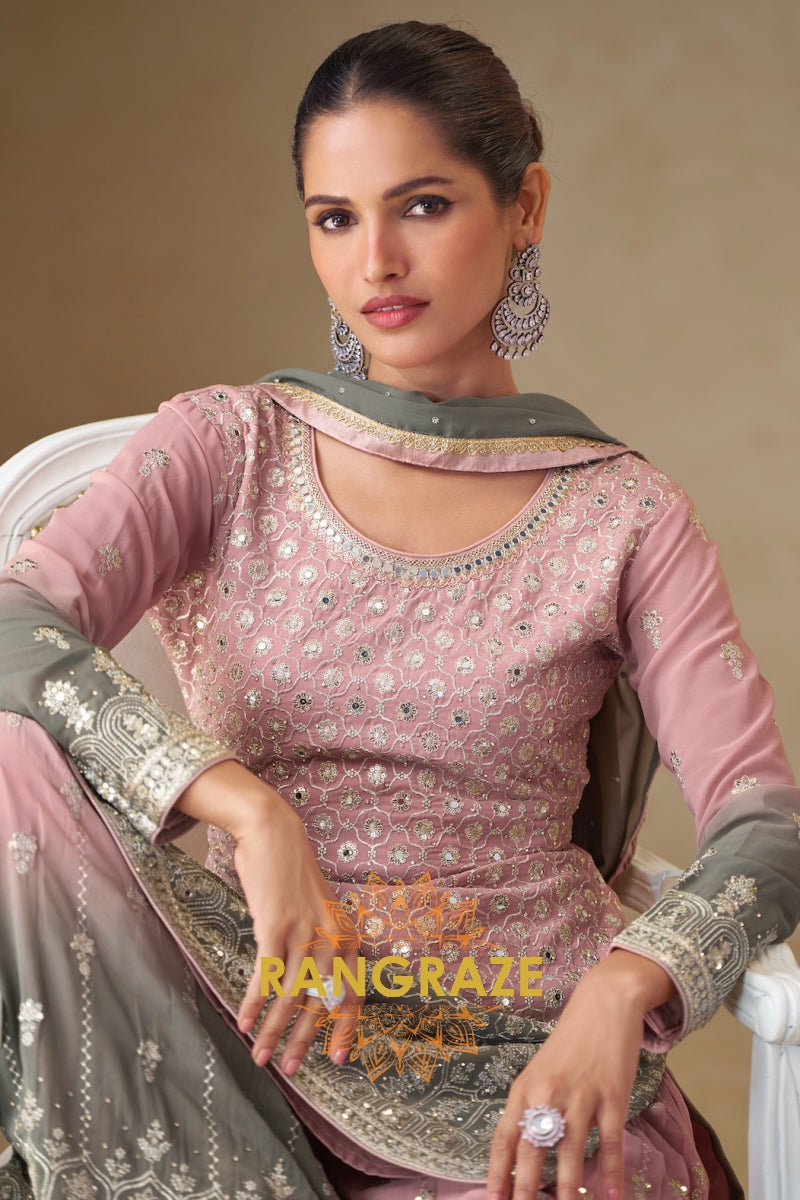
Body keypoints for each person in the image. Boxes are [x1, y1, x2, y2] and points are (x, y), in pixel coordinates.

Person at [0, 19, 798, 1200]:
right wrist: (247, 810)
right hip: (237, 1035)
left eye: (421, 206)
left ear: (523, 206)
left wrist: (623, 990)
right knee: (11, 753)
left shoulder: (624, 517)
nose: (375, 260)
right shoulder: (228, 446)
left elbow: (763, 825)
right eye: (334, 218)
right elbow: (14, 621)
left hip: (512, 1059)